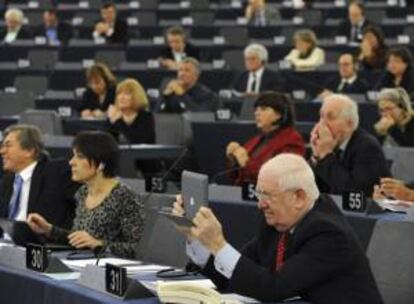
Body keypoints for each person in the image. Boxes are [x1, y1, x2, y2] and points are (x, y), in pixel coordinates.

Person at [173, 153, 383, 303]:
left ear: (299, 197)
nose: (260, 203)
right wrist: (197, 240)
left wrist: (218, 244)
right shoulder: (278, 223)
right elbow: (238, 275)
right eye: (259, 193)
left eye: (267, 195)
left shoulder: (329, 234)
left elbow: (273, 288)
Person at [27, 131, 145, 258]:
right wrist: (49, 229)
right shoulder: (82, 192)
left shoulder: (124, 196)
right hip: (81, 262)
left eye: (80, 156)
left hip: (107, 269)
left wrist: (99, 244)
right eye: (73, 156)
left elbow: (139, 248)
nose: (71, 162)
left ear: (101, 164)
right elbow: (79, 239)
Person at [0, 125, 79, 231]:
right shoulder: (7, 180)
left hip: (38, 243)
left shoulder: (56, 173)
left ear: (29, 151)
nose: (2, 151)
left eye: (8, 145)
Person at [310, 94, 390, 197]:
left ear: (349, 124)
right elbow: (312, 188)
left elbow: (354, 193)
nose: (322, 124)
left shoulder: (367, 146)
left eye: (330, 117)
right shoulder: (329, 144)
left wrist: (325, 155)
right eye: (321, 116)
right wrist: (316, 156)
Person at [226, 92, 305, 185]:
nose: (257, 113)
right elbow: (236, 177)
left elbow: (282, 177)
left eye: (263, 109)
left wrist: (246, 162)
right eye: (256, 109)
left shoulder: (292, 140)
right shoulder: (256, 140)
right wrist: (233, 160)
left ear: (278, 114)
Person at [107, 78, 155, 144]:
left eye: (126, 94)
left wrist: (118, 122)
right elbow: (106, 144)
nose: (121, 97)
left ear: (136, 96)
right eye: (119, 94)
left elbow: (135, 142)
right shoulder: (114, 115)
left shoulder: (146, 116)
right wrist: (111, 122)